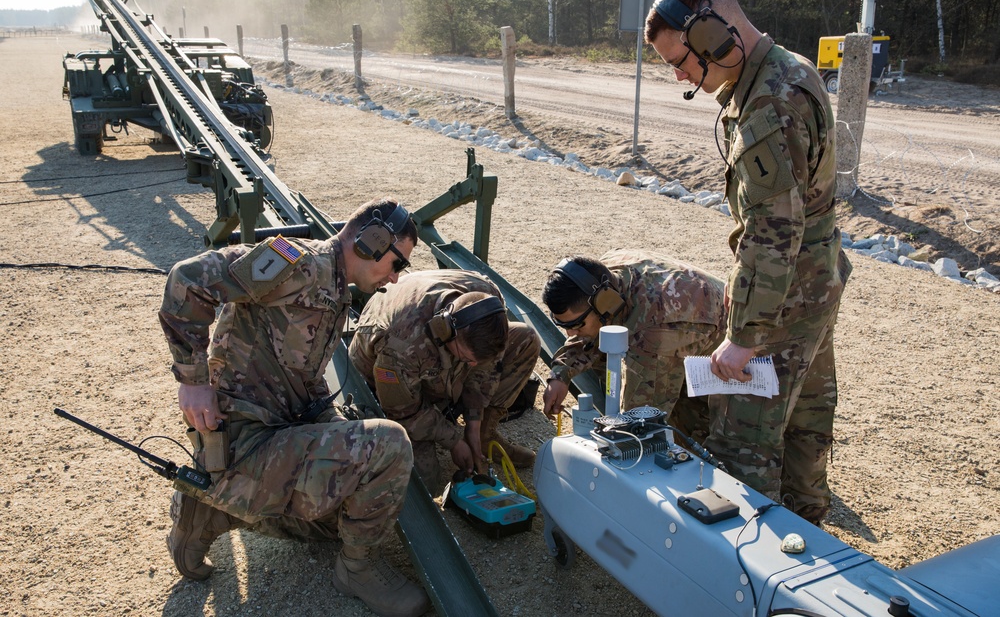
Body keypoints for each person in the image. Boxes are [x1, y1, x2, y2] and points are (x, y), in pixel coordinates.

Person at [644, 0, 852, 524]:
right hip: (817, 279)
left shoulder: (767, 104)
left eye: (680, 61)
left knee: (743, 448)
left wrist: (743, 339)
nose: (681, 76)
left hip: (783, 299)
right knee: (807, 421)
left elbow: (772, 232)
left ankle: (753, 578)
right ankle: (810, 536)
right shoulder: (790, 68)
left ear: (712, 33)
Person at [158, 197, 430, 617]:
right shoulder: (294, 263)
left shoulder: (336, 289)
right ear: (373, 242)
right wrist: (193, 383)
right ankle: (354, 572)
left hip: (278, 430)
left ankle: (215, 511)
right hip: (245, 439)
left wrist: (332, 423)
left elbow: (302, 375)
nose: (396, 279)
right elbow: (187, 281)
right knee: (390, 445)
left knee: (344, 509)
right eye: (397, 264)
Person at [349, 269, 541, 495]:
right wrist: (454, 440)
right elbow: (404, 412)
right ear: (445, 330)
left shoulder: (488, 300)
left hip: (432, 366)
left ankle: (484, 436)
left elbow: (485, 367)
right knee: (427, 484)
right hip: (389, 390)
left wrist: (473, 426)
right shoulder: (400, 344)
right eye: (467, 359)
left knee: (525, 338)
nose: (471, 366)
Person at [541, 249, 725, 441]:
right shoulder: (602, 278)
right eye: (565, 325)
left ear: (605, 304)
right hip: (678, 337)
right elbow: (588, 333)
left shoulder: (657, 330)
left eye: (576, 325)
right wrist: (560, 374)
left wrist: (622, 437)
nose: (570, 333)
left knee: (696, 442)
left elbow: (640, 418)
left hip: (740, 365)